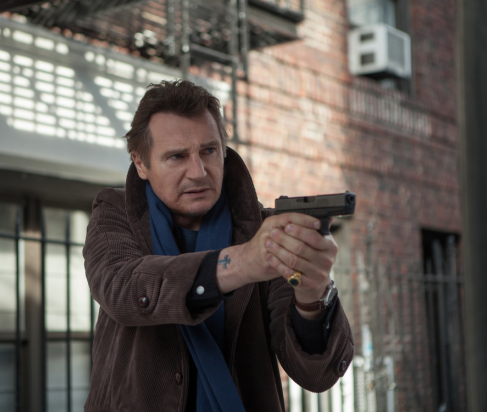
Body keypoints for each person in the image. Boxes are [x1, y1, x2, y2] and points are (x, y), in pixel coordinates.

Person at [83, 80, 353, 412]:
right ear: (140, 163)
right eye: (177, 156)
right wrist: (243, 263)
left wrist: (312, 296)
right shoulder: (114, 211)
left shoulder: (265, 232)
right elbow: (123, 287)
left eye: (209, 151)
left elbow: (317, 375)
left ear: (223, 149)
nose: (198, 172)